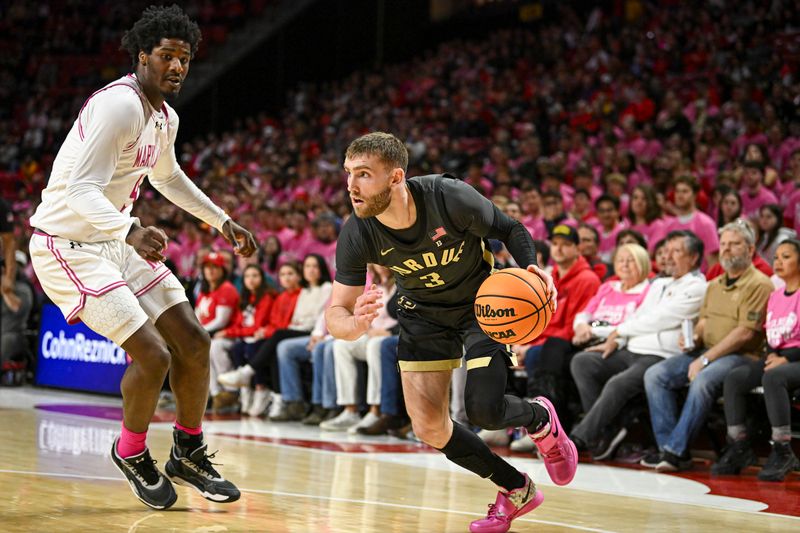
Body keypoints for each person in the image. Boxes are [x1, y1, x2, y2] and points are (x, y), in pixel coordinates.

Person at [27, 5, 257, 509]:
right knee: (153, 353)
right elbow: (79, 190)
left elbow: (168, 177)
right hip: (67, 244)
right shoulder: (119, 106)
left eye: (185, 58)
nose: (177, 66)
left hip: (111, 239)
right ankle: (131, 452)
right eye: (167, 56)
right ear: (142, 57)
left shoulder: (164, 116)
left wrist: (222, 220)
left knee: (193, 342)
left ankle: (187, 452)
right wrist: (129, 228)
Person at [327, 132, 576, 533]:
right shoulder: (358, 232)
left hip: (481, 303)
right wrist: (354, 324)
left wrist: (529, 268)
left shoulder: (448, 197)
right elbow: (336, 311)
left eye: (363, 174)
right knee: (429, 427)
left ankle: (540, 417)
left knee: (484, 411)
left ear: (395, 178)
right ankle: (516, 489)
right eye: (348, 174)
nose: (351, 186)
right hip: (422, 316)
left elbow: (511, 228)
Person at [642, 221, 773, 472]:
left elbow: (745, 333)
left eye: (734, 244)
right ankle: (668, 448)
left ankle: (674, 451)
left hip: (742, 356)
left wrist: (704, 359)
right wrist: (692, 338)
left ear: (750, 248)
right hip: (707, 351)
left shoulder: (760, 283)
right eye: (723, 244)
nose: (726, 249)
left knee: (703, 379)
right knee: (655, 374)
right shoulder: (714, 283)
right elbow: (703, 321)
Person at [570, 235, 707, 460]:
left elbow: (661, 319)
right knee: (583, 362)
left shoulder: (698, 287)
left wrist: (619, 332)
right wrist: (617, 340)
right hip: (631, 347)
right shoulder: (660, 283)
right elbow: (639, 315)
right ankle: (608, 430)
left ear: (693, 258)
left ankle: (580, 438)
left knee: (617, 384)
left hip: (658, 354)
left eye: (676, 252)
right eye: (666, 251)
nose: (667, 257)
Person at [712, 239, 800, 480]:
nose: (778, 262)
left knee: (774, 377)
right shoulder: (776, 295)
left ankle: (783, 450)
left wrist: (785, 358)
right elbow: (771, 333)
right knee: (735, 378)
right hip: (779, 356)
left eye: (786, 257)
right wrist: (773, 353)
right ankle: (739, 446)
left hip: (794, 358)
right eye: (777, 257)